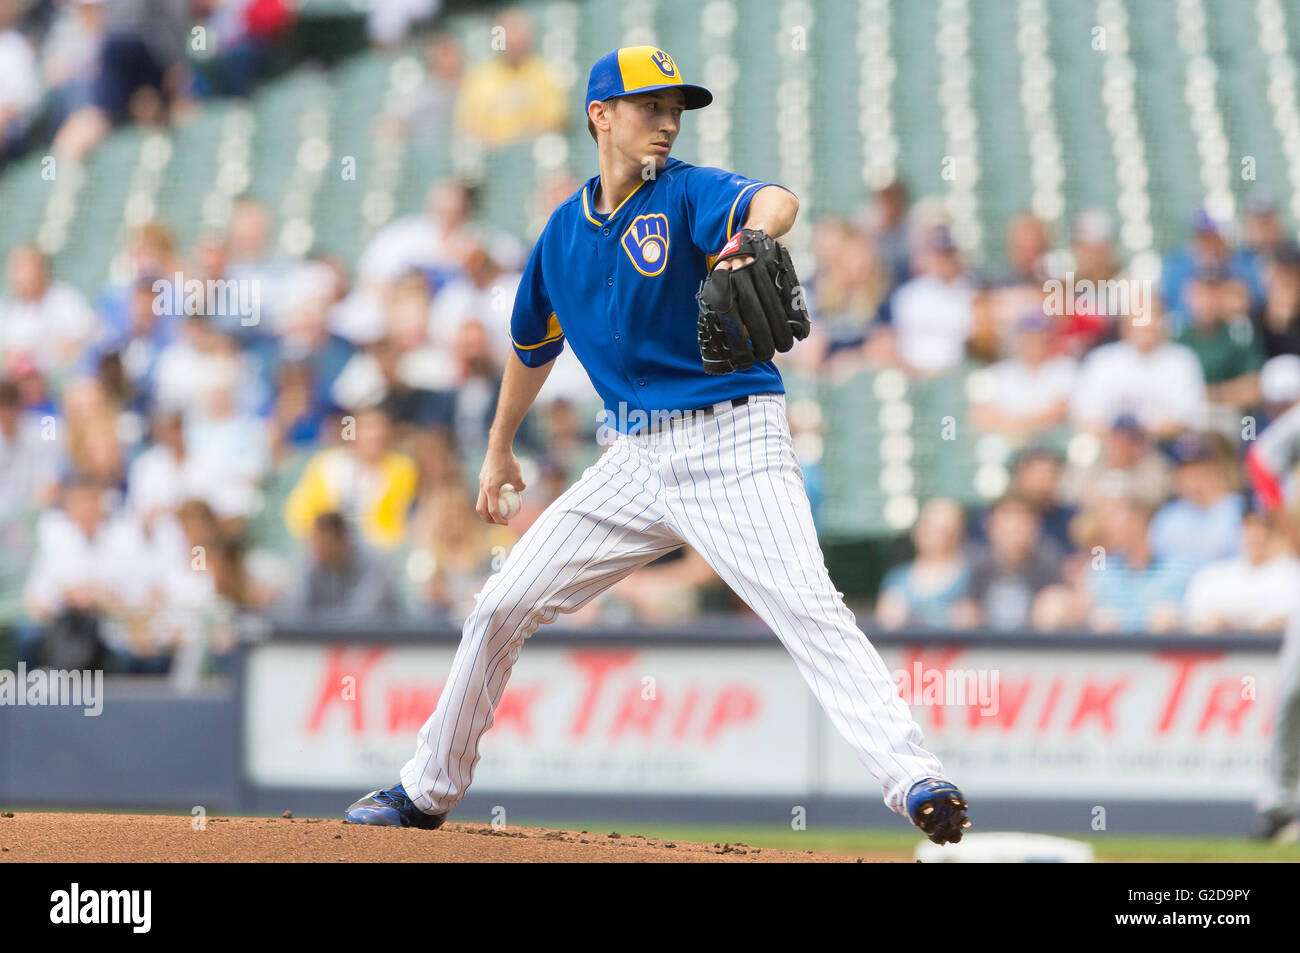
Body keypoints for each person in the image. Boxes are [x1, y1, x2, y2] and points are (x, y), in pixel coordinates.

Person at [343, 46, 969, 844]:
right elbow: (532, 346)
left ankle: (915, 774)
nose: (668, 121)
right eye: (650, 106)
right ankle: (425, 789)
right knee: (501, 602)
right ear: (600, 115)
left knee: (807, 605)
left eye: (676, 108)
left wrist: (749, 242)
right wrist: (500, 446)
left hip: (733, 439)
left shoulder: (683, 194)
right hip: (633, 457)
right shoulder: (561, 237)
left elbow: (776, 200)